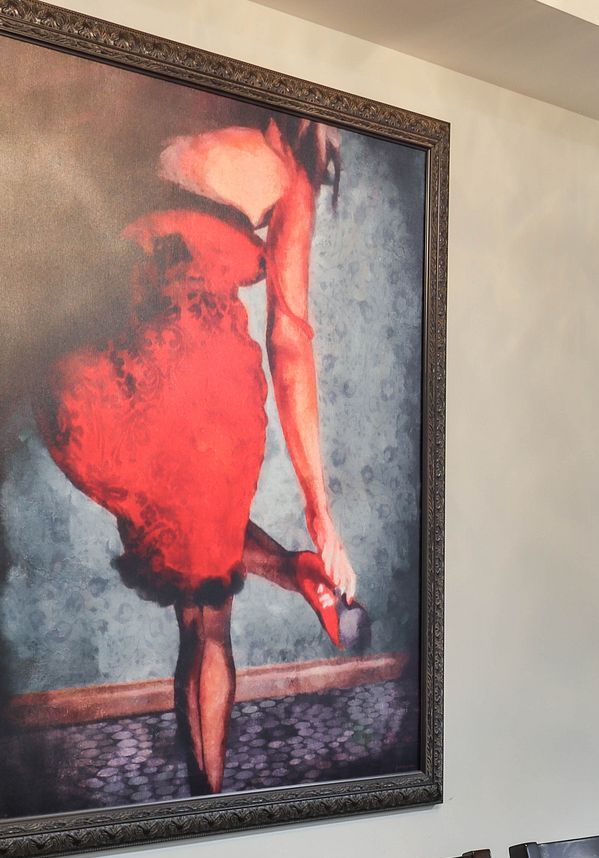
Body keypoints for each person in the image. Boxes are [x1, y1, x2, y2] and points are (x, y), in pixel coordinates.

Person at [45, 116, 366, 795]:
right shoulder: (288, 173)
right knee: (204, 618)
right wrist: (319, 508)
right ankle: (208, 800)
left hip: (95, 372)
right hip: (203, 383)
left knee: (172, 524)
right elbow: (290, 339)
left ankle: (288, 569)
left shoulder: (157, 100)